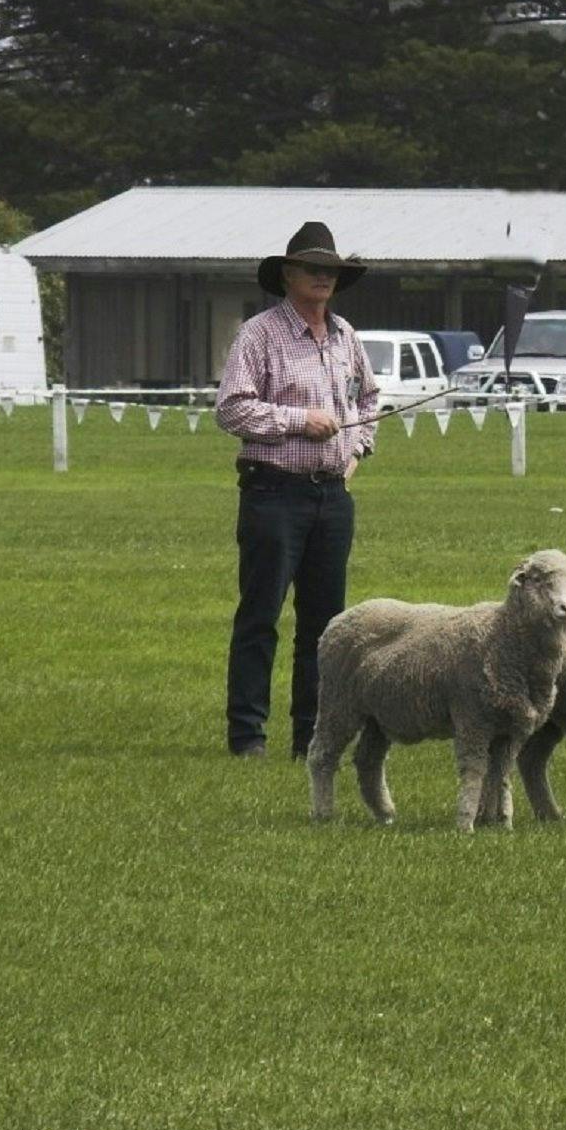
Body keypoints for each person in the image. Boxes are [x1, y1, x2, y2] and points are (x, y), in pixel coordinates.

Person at [215, 223, 378, 759]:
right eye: (313, 269)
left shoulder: (346, 336)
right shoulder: (258, 335)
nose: (323, 278)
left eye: (330, 270)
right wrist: (297, 420)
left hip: (332, 498)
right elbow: (232, 408)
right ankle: (247, 736)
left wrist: (356, 453)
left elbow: (369, 402)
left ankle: (311, 735)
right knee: (261, 614)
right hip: (272, 494)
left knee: (326, 626)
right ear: (287, 275)